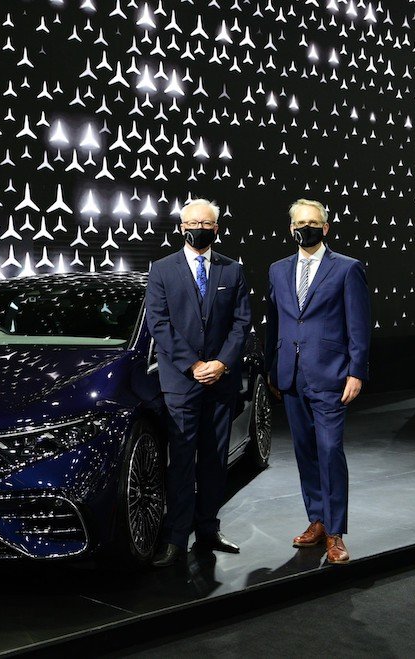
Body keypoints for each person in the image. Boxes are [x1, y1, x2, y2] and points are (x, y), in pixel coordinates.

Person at [145, 198, 252, 567]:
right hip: (181, 382)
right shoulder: (162, 270)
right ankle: (176, 538)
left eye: (206, 224)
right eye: (192, 223)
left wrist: (220, 363)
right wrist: (193, 365)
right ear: (181, 227)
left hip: (220, 382)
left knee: (215, 461)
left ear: (216, 229)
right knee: (181, 462)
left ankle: (208, 528)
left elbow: (242, 322)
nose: (199, 229)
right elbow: (159, 323)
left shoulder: (232, 270)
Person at [265, 199, 370, 565]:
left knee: (329, 450)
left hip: (331, 374)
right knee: (305, 452)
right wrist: (272, 368)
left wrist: (356, 371)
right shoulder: (278, 270)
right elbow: (275, 321)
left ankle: (336, 532)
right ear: (291, 228)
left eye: (312, 222)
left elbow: (358, 324)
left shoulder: (347, 268)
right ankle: (318, 520)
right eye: (299, 223)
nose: (305, 228)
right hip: (290, 374)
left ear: (325, 228)